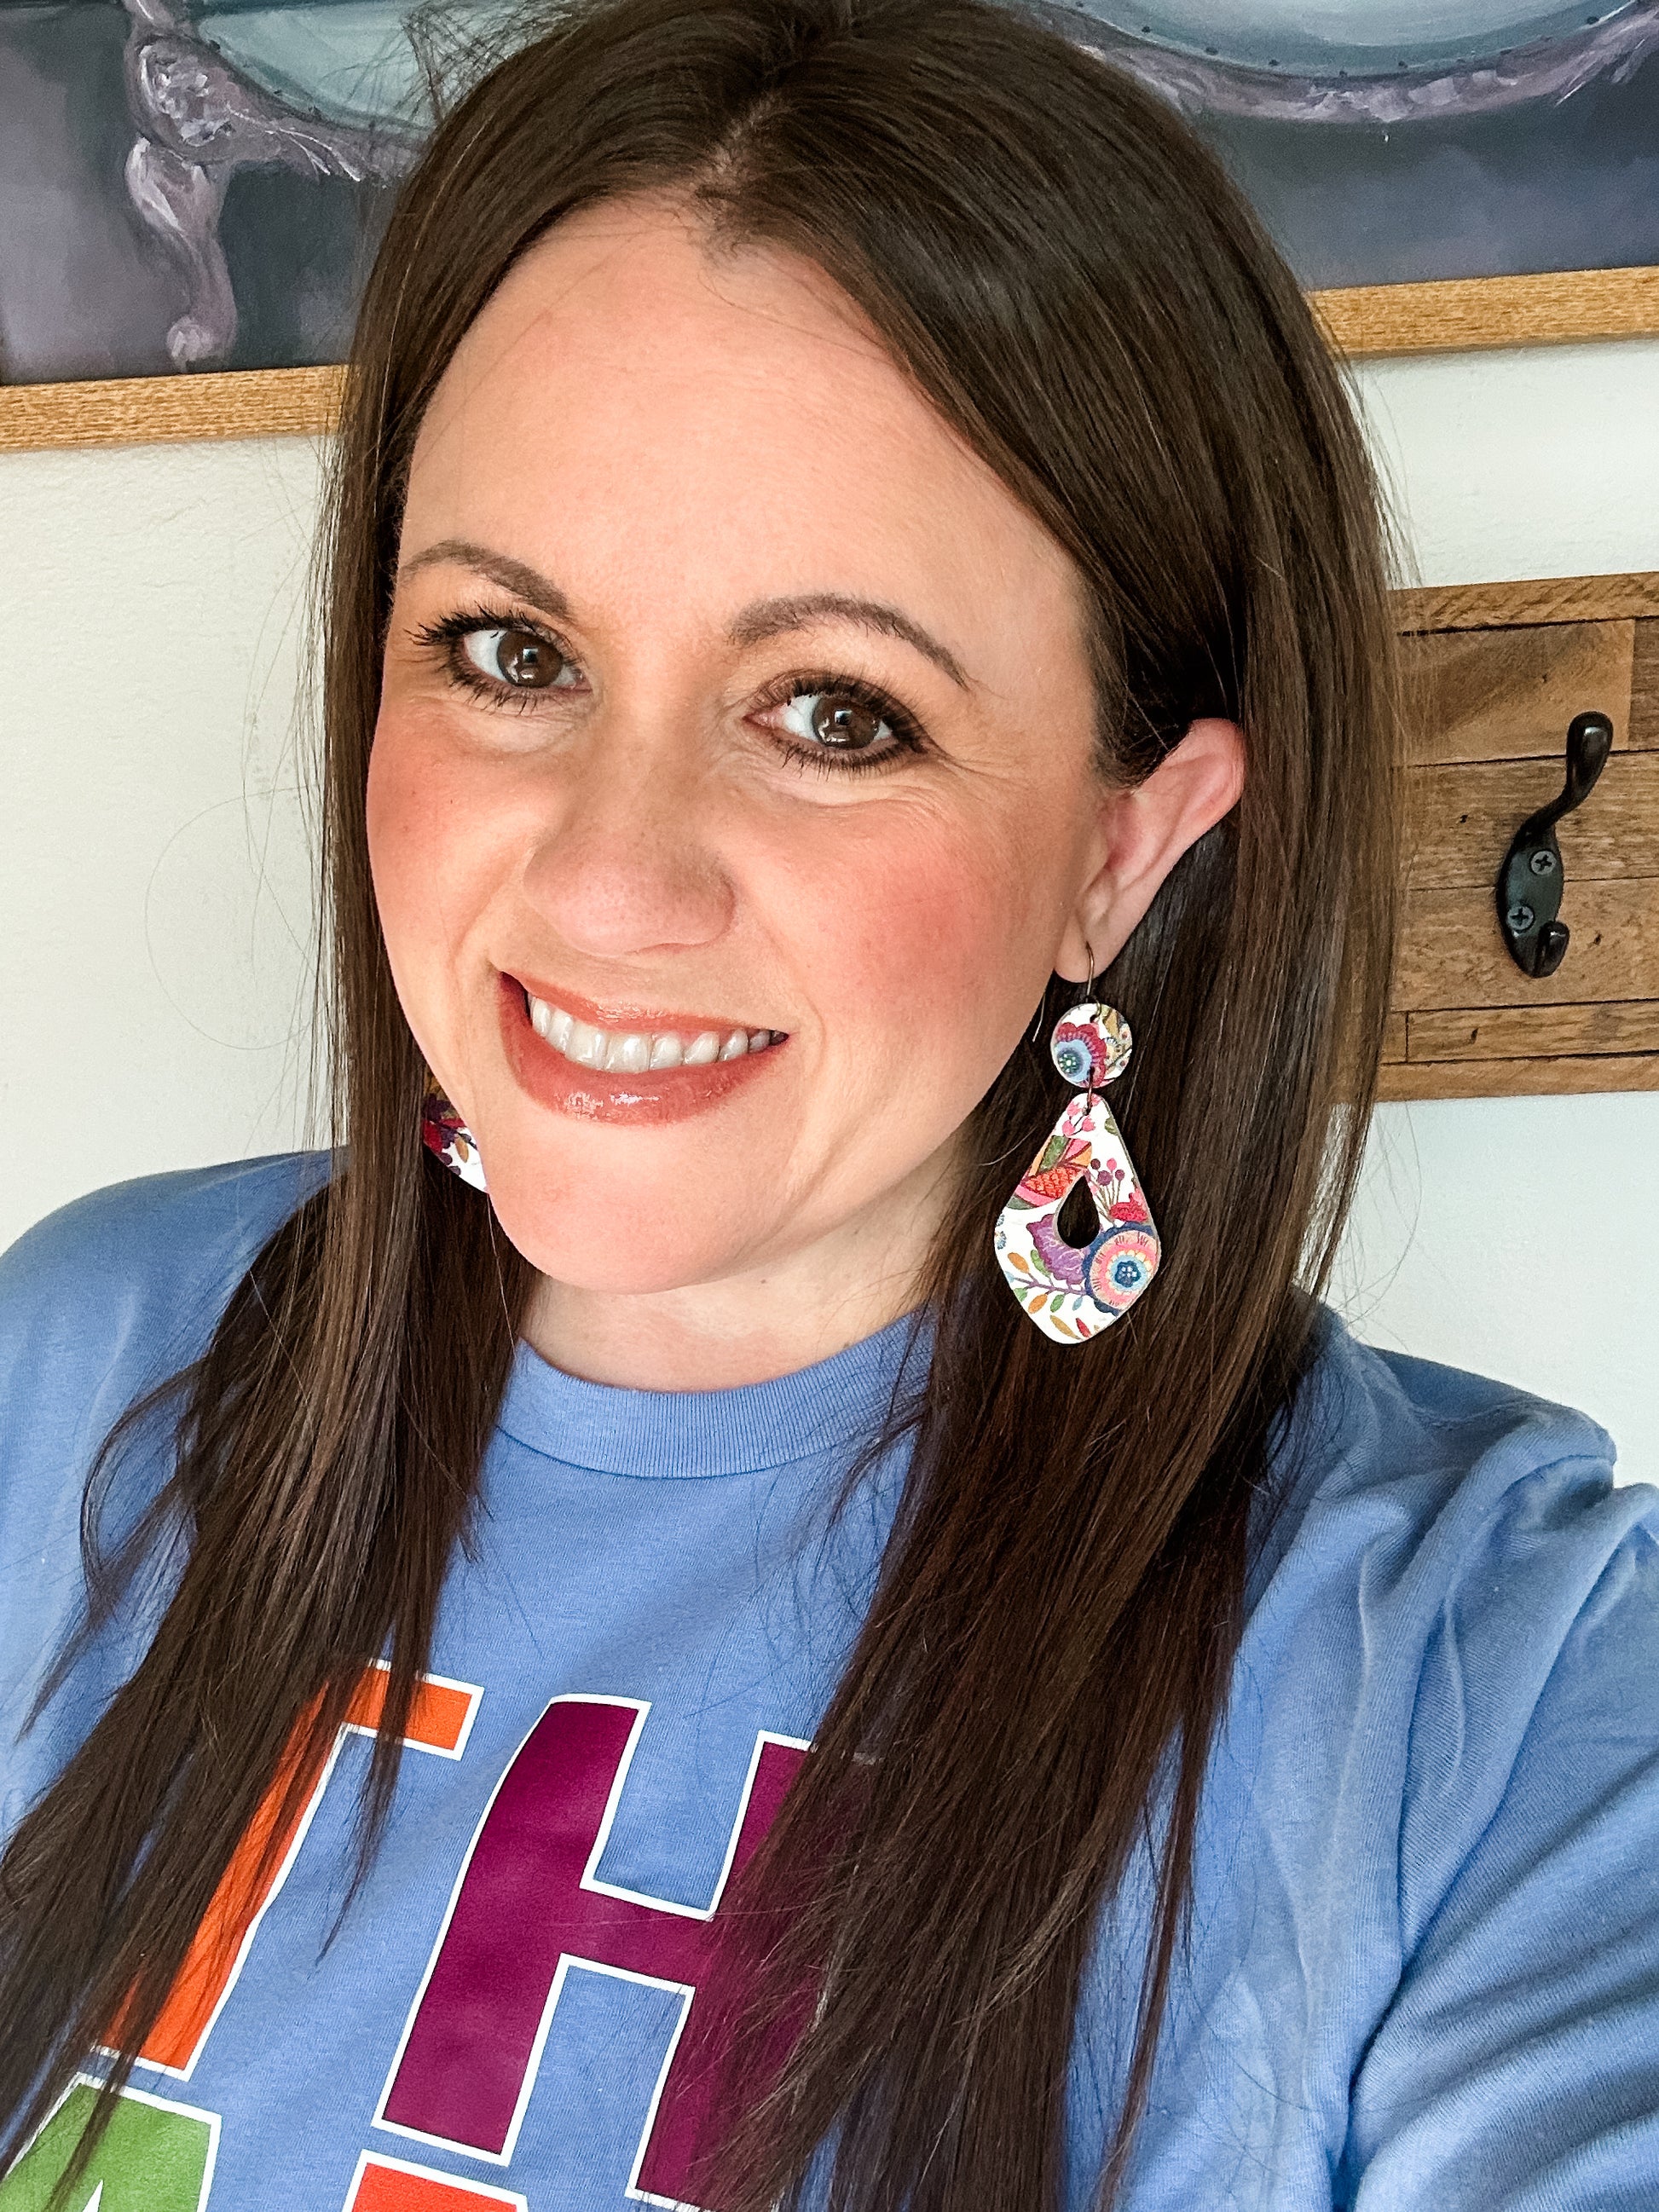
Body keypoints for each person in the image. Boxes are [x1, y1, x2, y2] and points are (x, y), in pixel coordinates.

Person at [2, 1, 1656, 2205]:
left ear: (1126, 845)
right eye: (510, 651)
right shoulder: (85, 1364)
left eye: (835, 712)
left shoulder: (1496, 1685)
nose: (607, 880)